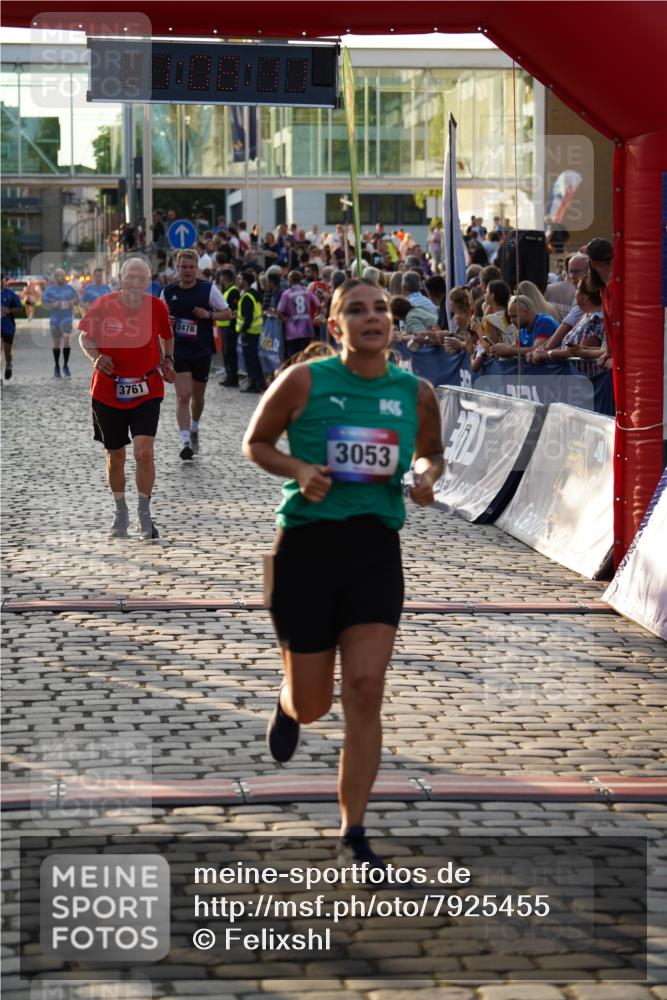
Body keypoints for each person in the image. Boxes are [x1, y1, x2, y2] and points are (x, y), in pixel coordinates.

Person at [242, 277, 444, 868]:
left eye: (380, 308)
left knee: (365, 689)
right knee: (314, 705)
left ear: (392, 322)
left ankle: (353, 830)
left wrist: (426, 476)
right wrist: (300, 469)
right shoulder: (304, 381)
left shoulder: (416, 392)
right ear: (335, 327)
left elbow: (431, 451)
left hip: (374, 552)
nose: (371, 317)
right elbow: (256, 443)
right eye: (356, 310)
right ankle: (288, 703)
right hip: (305, 551)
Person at [78, 257, 175, 539]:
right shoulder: (103, 305)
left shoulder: (157, 306)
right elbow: (85, 338)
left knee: (144, 452)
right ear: (121, 279)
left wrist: (168, 359)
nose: (135, 282)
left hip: (147, 388)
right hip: (108, 391)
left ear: (148, 282)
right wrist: (96, 358)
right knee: (116, 455)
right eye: (130, 277)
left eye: (141, 278)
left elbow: (167, 335)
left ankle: (144, 515)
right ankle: (121, 511)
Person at [162, 248, 230, 458]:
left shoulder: (208, 289)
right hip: (179, 350)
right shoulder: (168, 292)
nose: (187, 270)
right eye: (184, 267)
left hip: (201, 349)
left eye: (191, 267)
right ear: (177, 267)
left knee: (198, 398)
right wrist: (165, 320)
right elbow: (156, 319)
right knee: (183, 395)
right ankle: (185, 442)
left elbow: (227, 313)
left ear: (197, 269)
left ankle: (194, 427)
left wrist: (208, 314)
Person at [277, 270, 322, 359]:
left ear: (290, 279)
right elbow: (318, 305)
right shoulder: (307, 291)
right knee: (305, 355)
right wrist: (315, 316)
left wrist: (284, 319)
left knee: (293, 356)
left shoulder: (286, 293)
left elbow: (279, 311)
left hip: (292, 329)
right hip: (306, 328)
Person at [42, 269, 79, 378]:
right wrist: (53, 305)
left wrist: (73, 302)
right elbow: (44, 304)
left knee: (67, 339)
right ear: (55, 277)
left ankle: (65, 365)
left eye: (63, 275)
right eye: (59, 275)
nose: (62, 277)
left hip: (67, 318)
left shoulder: (70, 288)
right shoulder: (50, 290)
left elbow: (77, 300)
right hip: (55, 319)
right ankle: (57, 366)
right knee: (56, 343)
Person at [236, 268, 266, 393]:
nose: (238, 281)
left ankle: (253, 384)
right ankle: (260, 383)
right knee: (254, 359)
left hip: (249, 332)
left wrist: (242, 330)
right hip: (255, 331)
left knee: (250, 360)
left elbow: (248, 318)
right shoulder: (254, 294)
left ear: (245, 281)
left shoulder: (247, 297)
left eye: (240, 279)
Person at [216, 266, 242, 388]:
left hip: (230, 327)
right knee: (226, 353)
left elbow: (234, 311)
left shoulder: (233, 291)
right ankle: (229, 376)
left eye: (221, 277)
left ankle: (233, 378)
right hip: (224, 326)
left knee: (230, 353)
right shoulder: (227, 291)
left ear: (224, 278)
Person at [1, 274, 22, 381]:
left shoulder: (10, 294)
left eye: (2, 280)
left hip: (8, 325)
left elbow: (19, 308)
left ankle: (9, 364)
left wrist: (9, 310)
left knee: (7, 352)